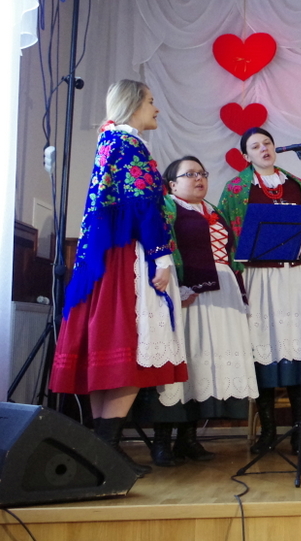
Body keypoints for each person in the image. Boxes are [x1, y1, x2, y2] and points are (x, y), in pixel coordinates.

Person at [50, 79, 187, 476]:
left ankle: (101, 450)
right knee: (133, 346)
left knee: (110, 350)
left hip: (104, 254)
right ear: (133, 105)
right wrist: (161, 257)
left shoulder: (110, 141)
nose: (156, 108)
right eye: (151, 101)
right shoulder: (128, 144)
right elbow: (143, 204)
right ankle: (106, 449)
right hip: (128, 254)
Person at [135, 157, 260, 466]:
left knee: (203, 366)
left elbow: (230, 253)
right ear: (172, 184)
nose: (199, 178)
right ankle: (161, 442)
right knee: (182, 361)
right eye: (190, 174)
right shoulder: (166, 208)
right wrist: (179, 288)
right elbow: (160, 248)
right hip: (187, 293)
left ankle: (188, 439)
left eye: (202, 173)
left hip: (222, 291)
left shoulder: (213, 210)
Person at [218, 127, 301, 455]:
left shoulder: (297, 184)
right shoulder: (236, 189)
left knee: (300, 351)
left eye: (267, 143)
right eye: (255, 146)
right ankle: (268, 431)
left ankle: (300, 430)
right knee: (263, 350)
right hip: (260, 278)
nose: (263, 149)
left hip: (298, 276)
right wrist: (237, 283)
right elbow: (227, 240)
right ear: (246, 156)